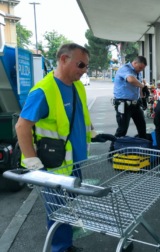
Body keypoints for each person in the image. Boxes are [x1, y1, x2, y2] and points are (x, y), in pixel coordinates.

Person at [15, 43, 92, 252]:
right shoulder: (43, 91)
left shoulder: (77, 86)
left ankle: (62, 239)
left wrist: (92, 135)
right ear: (63, 59)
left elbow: (79, 118)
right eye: (81, 64)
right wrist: (33, 163)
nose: (84, 70)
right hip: (53, 165)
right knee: (58, 209)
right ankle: (61, 247)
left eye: (86, 66)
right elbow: (22, 126)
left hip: (73, 161)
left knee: (66, 206)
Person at [112, 56, 148, 140]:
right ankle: (113, 150)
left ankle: (143, 147)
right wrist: (143, 86)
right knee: (122, 129)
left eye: (142, 69)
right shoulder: (125, 69)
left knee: (142, 127)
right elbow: (131, 80)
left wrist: (143, 99)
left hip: (135, 103)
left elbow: (138, 87)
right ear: (134, 63)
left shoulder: (138, 72)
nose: (140, 70)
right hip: (123, 104)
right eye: (140, 67)